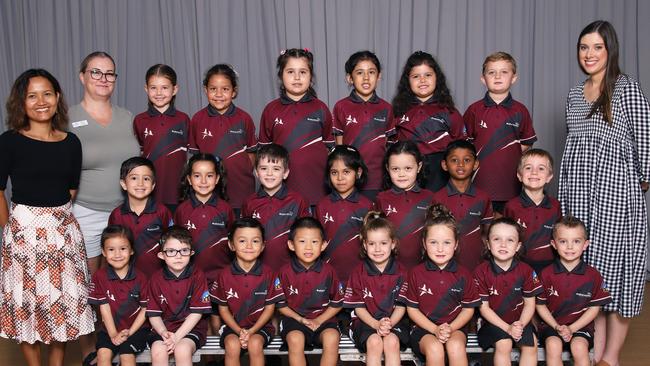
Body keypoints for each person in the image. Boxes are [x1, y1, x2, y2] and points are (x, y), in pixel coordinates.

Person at [558, 20, 650, 366]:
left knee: (618, 277)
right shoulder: (574, 94)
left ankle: (609, 357)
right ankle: (592, 349)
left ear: (610, 50)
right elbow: (576, 147)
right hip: (579, 198)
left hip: (616, 201)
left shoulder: (626, 89)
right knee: (589, 275)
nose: (589, 54)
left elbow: (647, 146)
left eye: (597, 47)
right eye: (584, 47)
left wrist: (630, 187)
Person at [0, 68, 94, 366]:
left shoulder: (71, 143)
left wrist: (55, 223)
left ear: (57, 98)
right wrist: (10, 231)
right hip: (22, 233)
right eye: (32, 95)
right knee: (27, 307)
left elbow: (70, 189)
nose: (41, 101)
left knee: (62, 307)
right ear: (21, 102)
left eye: (47, 94)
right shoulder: (9, 142)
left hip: (64, 235)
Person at [69, 51, 140, 275]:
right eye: (96, 72)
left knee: (123, 279)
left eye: (109, 74)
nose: (103, 78)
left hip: (126, 211)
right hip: (85, 211)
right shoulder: (66, 118)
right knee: (88, 278)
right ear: (82, 76)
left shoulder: (128, 117)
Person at [398, 204, 480, 366]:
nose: (440, 249)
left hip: (455, 327)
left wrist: (449, 328)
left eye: (447, 242)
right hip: (423, 329)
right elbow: (412, 310)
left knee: (456, 346)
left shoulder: (463, 274)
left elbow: (468, 309)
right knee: (435, 348)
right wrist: (435, 330)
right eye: (434, 242)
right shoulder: (416, 273)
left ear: (456, 244)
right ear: (424, 243)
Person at [259, 48, 335, 207]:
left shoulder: (321, 108)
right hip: (282, 194)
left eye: (303, 72)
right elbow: (264, 154)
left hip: (317, 191)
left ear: (311, 77)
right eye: (290, 71)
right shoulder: (270, 110)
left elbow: (330, 148)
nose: (297, 77)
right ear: (281, 75)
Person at [463, 52, 536, 213]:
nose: (497, 76)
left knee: (507, 230)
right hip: (479, 184)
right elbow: (465, 147)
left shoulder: (520, 110)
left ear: (514, 78)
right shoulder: (474, 110)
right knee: (482, 229)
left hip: (510, 185)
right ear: (483, 79)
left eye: (504, 72)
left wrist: (506, 156)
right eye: (491, 72)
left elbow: (526, 143)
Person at [536, 216, 612, 366]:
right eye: (563, 241)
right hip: (552, 325)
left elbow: (594, 309)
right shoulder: (546, 273)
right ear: (554, 244)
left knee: (578, 347)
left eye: (576, 241)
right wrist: (557, 326)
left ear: (585, 244)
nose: (570, 247)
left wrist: (571, 328)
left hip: (580, 326)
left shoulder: (593, 275)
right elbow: (540, 305)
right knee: (553, 346)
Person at [211, 218, 282, 366]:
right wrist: (239, 331)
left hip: (261, 327)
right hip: (233, 327)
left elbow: (270, 309)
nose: (249, 246)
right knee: (232, 345)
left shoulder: (269, 274)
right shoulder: (224, 275)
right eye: (242, 241)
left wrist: (251, 331)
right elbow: (223, 310)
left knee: (255, 344)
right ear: (231, 245)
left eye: (255, 241)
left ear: (263, 246)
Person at [391, 51, 465, 192]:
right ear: (408, 81)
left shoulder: (450, 112)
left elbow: (460, 148)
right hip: (407, 170)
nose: (422, 80)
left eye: (428, 75)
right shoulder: (398, 111)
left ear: (437, 78)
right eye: (416, 76)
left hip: (440, 173)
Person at [189, 64, 257, 214]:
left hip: (241, 191)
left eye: (225, 89)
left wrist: (241, 171)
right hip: (209, 193)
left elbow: (252, 153)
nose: (219, 94)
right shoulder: (197, 119)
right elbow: (196, 157)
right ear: (205, 90)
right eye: (213, 89)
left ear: (234, 91)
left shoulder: (244, 118)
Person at [473, 218, 542, 366]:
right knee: (504, 344)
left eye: (510, 240)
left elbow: (530, 304)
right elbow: (483, 308)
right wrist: (507, 328)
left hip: (519, 322)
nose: (503, 244)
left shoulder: (526, 271)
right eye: (497, 239)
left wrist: (520, 325)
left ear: (518, 246)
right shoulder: (481, 271)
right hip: (492, 323)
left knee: (532, 345)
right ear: (488, 244)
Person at [276, 217, 344, 366]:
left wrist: (319, 320)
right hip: (295, 320)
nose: (308, 247)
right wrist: (301, 320)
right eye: (302, 241)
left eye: (314, 242)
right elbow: (281, 306)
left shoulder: (329, 271)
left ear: (324, 245)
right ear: (291, 245)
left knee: (332, 338)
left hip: (323, 320)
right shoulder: (284, 272)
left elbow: (338, 302)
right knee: (295, 339)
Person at [343, 211, 408, 366]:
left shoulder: (402, 271)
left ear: (393, 244)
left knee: (392, 341)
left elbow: (401, 306)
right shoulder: (358, 272)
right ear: (365, 245)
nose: (377, 249)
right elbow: (358, 308)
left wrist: (388, 324)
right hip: (365, 322)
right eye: (372, 244)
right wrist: (376, 325)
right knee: (374, 342)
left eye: (383, 243)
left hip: (393, 321)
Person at [332, 50, 395, 200]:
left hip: (379, 180)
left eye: (371, 72)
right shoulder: (341, 106)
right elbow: (339, 149)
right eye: (360, 73)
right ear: (350, 78)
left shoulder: (386, 108)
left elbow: (389, 147)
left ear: (379, 76)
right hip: (351, 181)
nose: (366, 78)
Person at [144, 226, 212, 366]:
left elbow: (197, 312)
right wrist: (164, 332)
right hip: (163, 329)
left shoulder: (198, 276)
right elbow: (153, 314)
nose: (178, 256)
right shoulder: (155, 279)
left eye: (184, 250)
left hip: (191, 329)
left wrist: (177, 337)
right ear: (161, 255)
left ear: (191, 253)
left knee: (182, 350)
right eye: (171, 251)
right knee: (158, 350)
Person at [241, 143, 310, 272]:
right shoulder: (249, 202)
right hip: (257, 270)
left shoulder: (297, 201)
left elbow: (306, 237)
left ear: (285, 173)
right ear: (256, 172)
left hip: (291, 270)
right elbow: (243, 236)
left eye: (276, 169)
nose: (269, 173)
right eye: (264, 168)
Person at [88, 225, 149, 366]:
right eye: (111, 249)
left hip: (137, 330)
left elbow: (146, 309)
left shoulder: (141, 277)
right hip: (110, 329)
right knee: (103, 354)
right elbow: (104, 308)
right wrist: (114, 335)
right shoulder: (99, 277)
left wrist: (129, 332)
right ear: (103, 252)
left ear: (132, 250)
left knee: (126, 355)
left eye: (123, 249)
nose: (117, 255)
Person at [133, 64, 190, 212]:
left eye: (164, 88)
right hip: (148, 193)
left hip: (179, 193)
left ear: (175, 89)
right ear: (146, 89)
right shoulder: (139, 120)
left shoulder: (184, 119)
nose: (159, 93)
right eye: (153, 88)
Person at [315, 145, 374, 283]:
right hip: (327, 276)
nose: (340, 178)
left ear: (358, 172)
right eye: (334, 172)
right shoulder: (322, 205)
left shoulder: (368, 206)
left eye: (346, 172)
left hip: (360, 277)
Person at [431, 140, 493, 271]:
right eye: (454, 160)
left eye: (467, 160)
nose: (460, 165)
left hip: (476, 264)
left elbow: (486, 233)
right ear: (444, 164)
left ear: (475, 164)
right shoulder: (437, 198)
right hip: (445, 266)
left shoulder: (483, 197)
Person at [108, 157, 172, 275]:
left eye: (146, 178)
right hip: (126, 276)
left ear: (153, 185)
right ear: (123, 184)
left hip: (157, 275)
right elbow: (110, 246)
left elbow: (172, 243)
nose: (140, 183)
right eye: (134, 178)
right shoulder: (116, 215)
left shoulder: (162, 212)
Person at [375, 141, 434, 268]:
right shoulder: (381, 198)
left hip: (424, 267)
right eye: (395, 169)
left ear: (418, 167)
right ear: (387, 168)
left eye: (408, 168)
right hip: (391, 269)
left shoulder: (430, 197)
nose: (401, 174)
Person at [504, 149, 561, 273]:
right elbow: (506, 236)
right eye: (528, 168)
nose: (534, 172)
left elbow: (559, 237)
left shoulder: (555, 206)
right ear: (519, 175)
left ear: (549, 177)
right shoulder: (512, 206)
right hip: (518, 265)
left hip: (549, 265)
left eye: (541, 168)